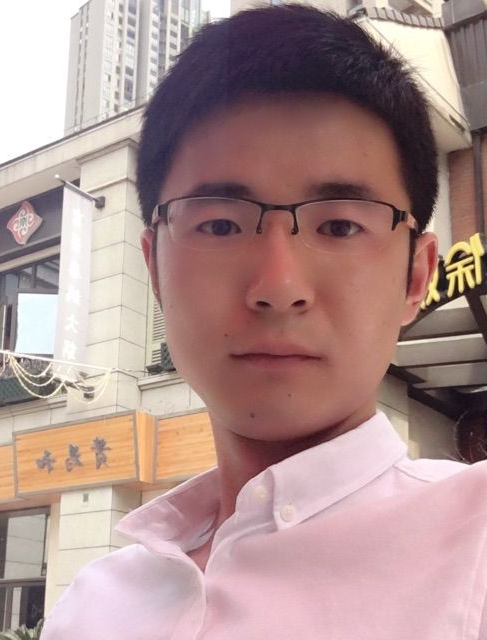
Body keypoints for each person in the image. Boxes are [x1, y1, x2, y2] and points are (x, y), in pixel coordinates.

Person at [42, 5, 487, 638]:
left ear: (416, 276)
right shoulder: (94, 608)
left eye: (340, 225)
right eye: (221, 224)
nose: (279, 288)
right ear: (155, 268)